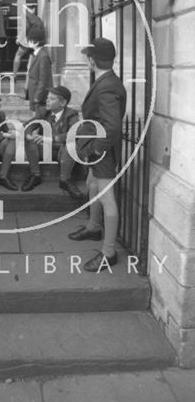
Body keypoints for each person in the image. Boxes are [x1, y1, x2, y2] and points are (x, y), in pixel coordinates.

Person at [68, 37, 127, 272]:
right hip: (95, 148)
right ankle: (93, 226)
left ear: (92, 60)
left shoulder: (108, 85)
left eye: (88, 57)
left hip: (100, 150)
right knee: (91, 184)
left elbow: (112, 126)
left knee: (106, 197)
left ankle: (108, 251)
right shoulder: (106, 80)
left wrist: (96, 149)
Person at [21, 85, 83, 197]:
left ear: (63, 103)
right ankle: (35, 175)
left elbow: (75, 133)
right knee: (29, 140)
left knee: (71, 144)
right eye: (47, 98)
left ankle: (65, 180)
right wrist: (29, 135)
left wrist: (51, 139)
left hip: (62, 151)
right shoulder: (44, 112)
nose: (47, 100)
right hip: (45, 150)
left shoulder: (71, 114)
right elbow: (28, 125)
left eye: (52, 99)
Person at [13, 0, 44, 80]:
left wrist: (19, 38)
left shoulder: (26, 16)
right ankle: (28, 81)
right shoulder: (38, 18)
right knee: (30, 62)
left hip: (27, 40)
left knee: (18, 55)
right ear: (33, 9)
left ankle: (14, 76)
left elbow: (25, 29)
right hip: (36, 41)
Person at [26, 26, 53, 118]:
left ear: (36, 42)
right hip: (35, 95)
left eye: (29, 40)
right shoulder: (36, 54)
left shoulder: (43, 57)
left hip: (40, 98)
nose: (28, 42)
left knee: (38, 122)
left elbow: (44, 80)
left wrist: (37, 97)